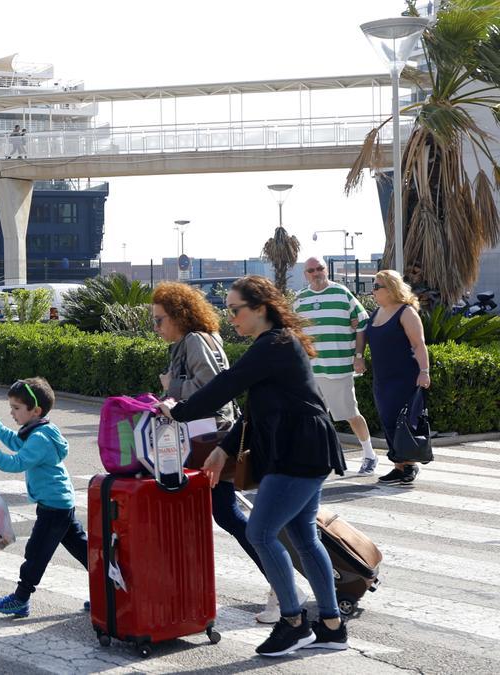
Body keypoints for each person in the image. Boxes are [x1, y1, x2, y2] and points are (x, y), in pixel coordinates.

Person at [156, 275, 348, 657]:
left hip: (299, 451)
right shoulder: (273, 345)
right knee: (305, 539)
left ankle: (293, 622)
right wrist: (225, 450)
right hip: (300, 448)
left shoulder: (275, 343)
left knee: (261, 532)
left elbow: (228, 382)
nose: (231, 318)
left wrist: (181, 412)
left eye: (236, 310)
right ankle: (331, 625)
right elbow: (252, 413)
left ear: (260, 308)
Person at [152, 282, 286, 623]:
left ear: (179, 315)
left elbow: (214, 386)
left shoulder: (195, 341)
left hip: (211, 438)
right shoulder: (193, 340)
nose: (157, 327)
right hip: (204, 437)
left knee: (225, 513)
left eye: (160, 319)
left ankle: (281, 588)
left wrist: (173, 388)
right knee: (216, 513)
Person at [0, 377, 87, 618]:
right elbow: (16, 442)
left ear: (35, 411)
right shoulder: (40, 429)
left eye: (16, 408)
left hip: (54, 507)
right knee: (84, 551)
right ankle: (111, 591)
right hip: (58, 502)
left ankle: (21, 598)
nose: (12, 413)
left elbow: (16, 462)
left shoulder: (39, 438)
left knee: (36, 552)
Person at [294, 257, 378, 474]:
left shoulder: (341, 293)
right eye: (311, 270)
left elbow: (362, 323)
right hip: (312, 371)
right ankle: (320, 460)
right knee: (315, 419)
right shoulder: (300, 299)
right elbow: (293, 332)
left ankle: (369, 454)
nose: (316, 273)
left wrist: (359, 355)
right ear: (306, 274)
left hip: (339, 367)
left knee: (350, 414)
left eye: (319, 268)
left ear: (326, 270)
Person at [363, 270, 431, 487]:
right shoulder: (376, 313)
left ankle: (409, 464)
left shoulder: (406, 312)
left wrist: (424, 371)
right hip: (382, 379)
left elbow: (419, 344)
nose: (372, 291)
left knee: (404, 421)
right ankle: (399, 465)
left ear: (391, 288)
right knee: (388, 421)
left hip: (404, 377)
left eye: (376, 286)